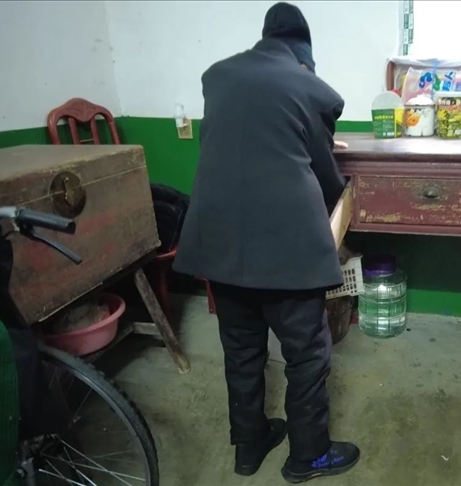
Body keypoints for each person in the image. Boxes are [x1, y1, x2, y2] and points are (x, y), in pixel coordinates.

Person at [173, 2, 360, 483]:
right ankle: (309, 456)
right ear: (304, 53)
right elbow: (326, 176)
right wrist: (324, 149)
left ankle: (249, 444)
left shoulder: (217, 76)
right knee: (306, 354)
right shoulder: (308, 84)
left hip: (218, 244)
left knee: (241, 349)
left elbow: (236, 143)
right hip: (287, 252)